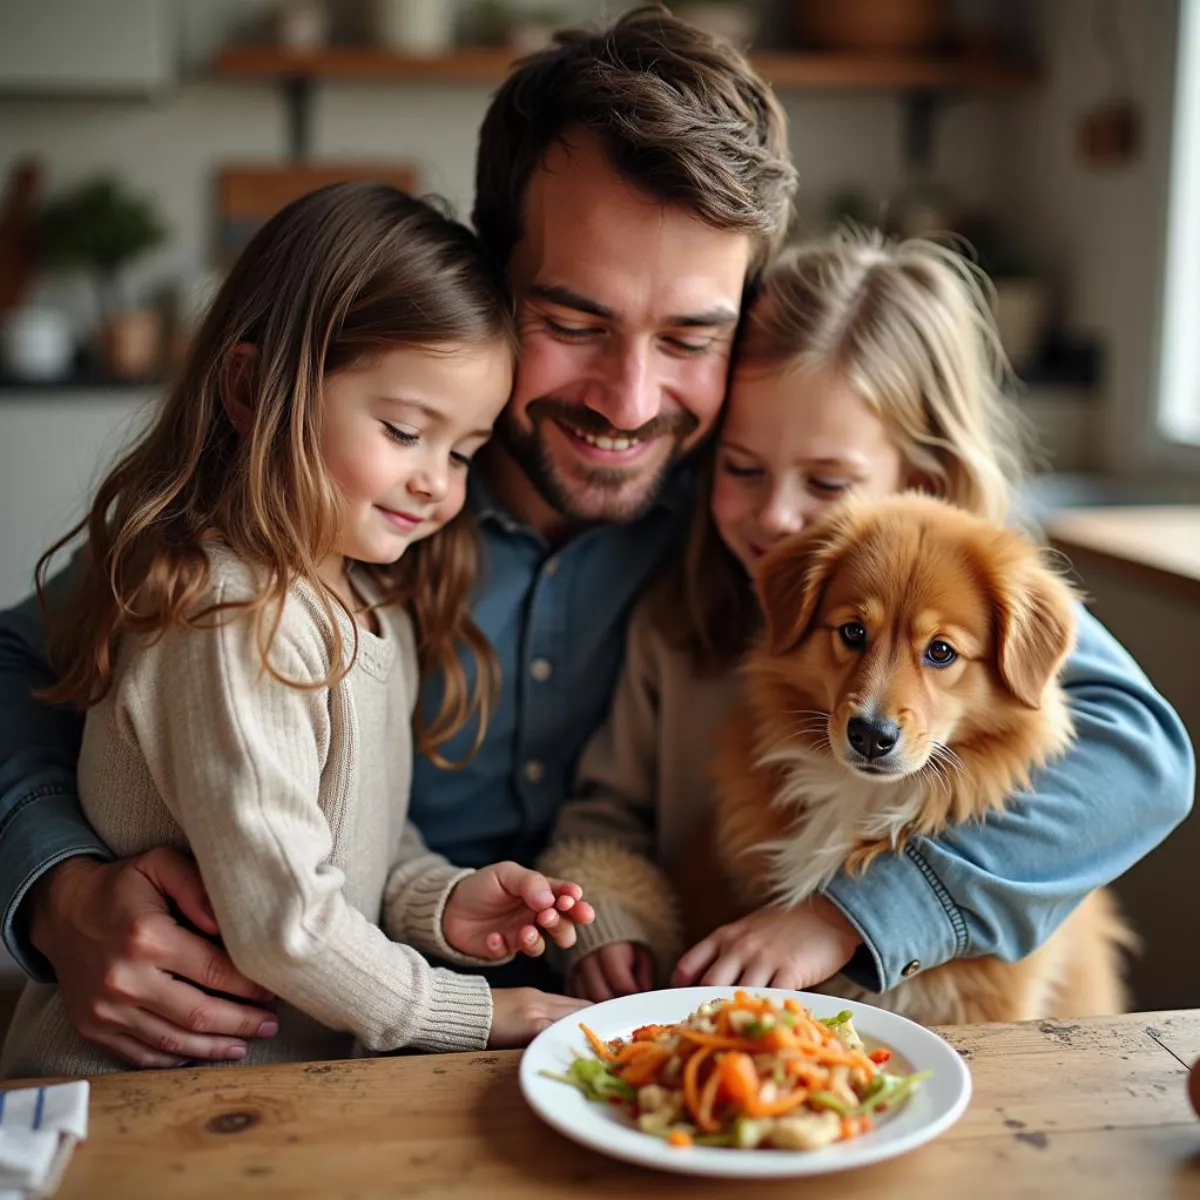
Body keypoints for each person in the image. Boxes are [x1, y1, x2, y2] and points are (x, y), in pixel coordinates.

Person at [0, 8, 1192, 1065]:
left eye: (689, 338)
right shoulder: (339, 487)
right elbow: (18, 668)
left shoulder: (764, 527)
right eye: (573, 320)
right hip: (306, 1058)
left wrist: (865, 919)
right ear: (489, 274)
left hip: (618, 1061)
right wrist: (56, 887)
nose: (627, 403)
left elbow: (1136, 745)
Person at [1, 183, 592, 1078]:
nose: (437, 481)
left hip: (277, 1102)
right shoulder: (228, 615)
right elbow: (287, 928)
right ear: (249, 387)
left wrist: (440, 903)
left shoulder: (371, 603)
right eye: (403, 429)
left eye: (464, 451)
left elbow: (355, 841)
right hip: (131, 1110)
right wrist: (477, 1011)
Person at [542, 229, 1150, 999]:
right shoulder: (676, 617)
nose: (779, 518)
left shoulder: (982, 584)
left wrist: (847, 918)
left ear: (923, 476)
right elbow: (605, 817)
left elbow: (1148, 755)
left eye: (828, 483)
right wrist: (613, 919)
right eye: (742, 468)